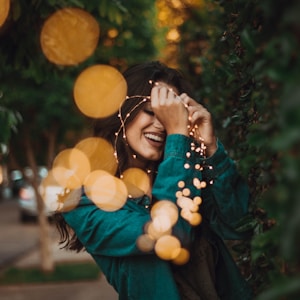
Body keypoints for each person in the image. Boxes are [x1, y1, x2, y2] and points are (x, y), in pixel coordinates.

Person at [55, 61, 253, 300]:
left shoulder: (185, 173)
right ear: (122, 111)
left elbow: (240, 224)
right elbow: (169, 233)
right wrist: (179, 136)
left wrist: (210, 148)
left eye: (171, 116)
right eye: (151, 111)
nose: (162, 125)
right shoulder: (87, 202)